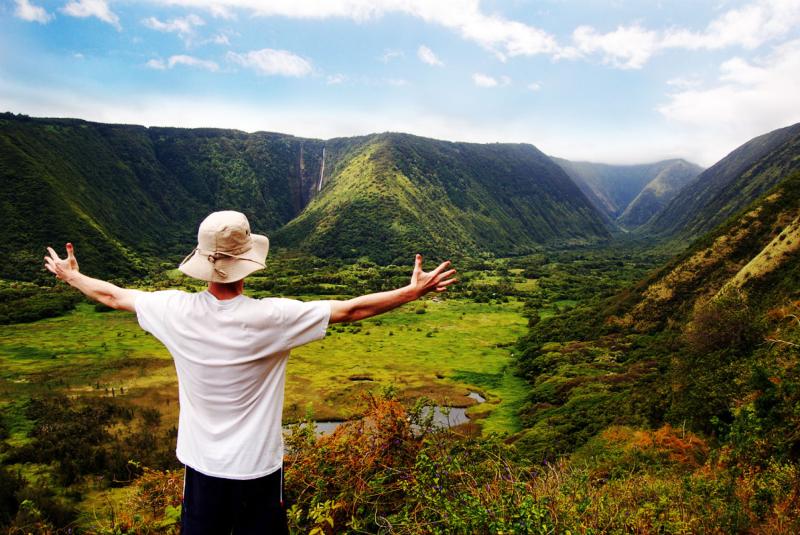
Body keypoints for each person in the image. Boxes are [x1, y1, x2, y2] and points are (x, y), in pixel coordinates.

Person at [43, 210, 457, 534]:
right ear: (247, 262)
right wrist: (413, 291)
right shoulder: (272, 318)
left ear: (203, 261)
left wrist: (71, 275)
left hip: (201, 469)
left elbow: (113, 296)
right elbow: (351, 309)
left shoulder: (172, 310)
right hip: (258, 470)